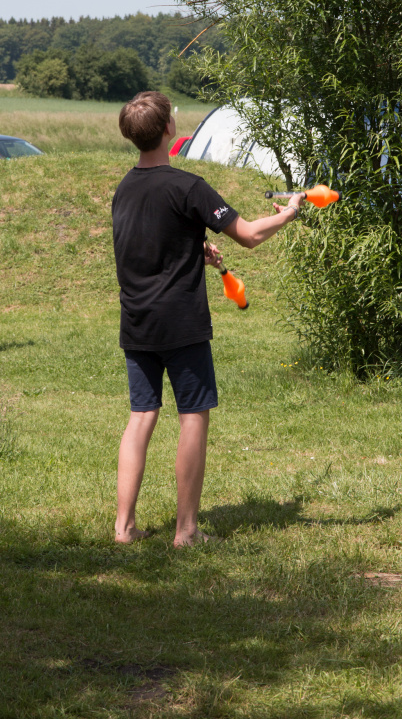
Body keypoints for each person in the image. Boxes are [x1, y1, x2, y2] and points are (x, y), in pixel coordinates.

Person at [112, 91, 304, 547]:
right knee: (193, 417)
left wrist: (191, 247)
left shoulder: (124, 188)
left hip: (137, 322)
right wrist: (290, 214)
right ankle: (186, 531)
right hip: (181, 322)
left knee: (141, 416)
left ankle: (124, 528)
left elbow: (145, 242)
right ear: (169, 129)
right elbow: (249, 235)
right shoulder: (188, 186)